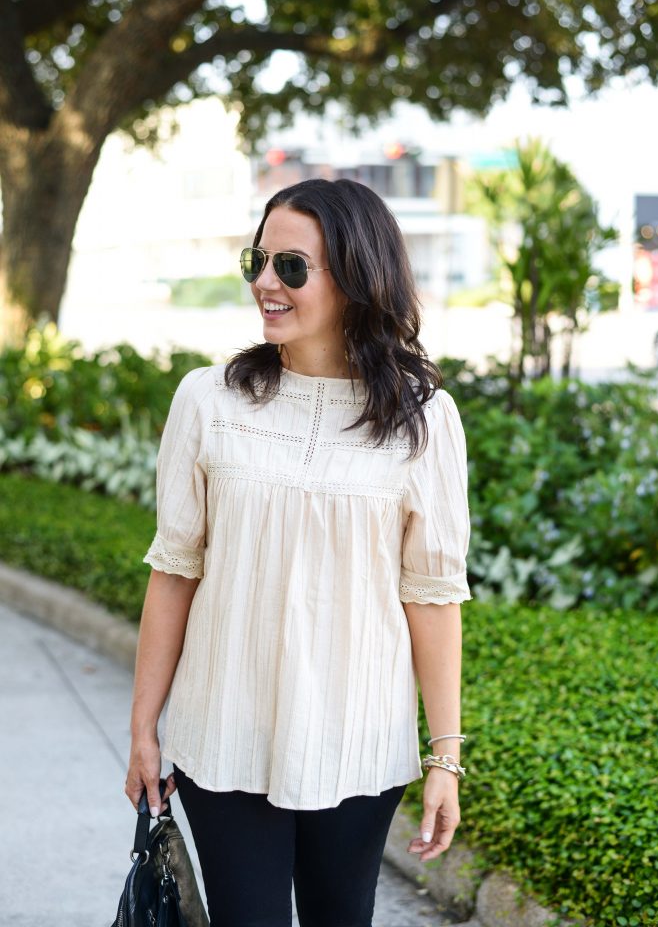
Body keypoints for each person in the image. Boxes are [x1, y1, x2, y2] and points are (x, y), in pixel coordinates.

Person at [124, 178, 472, 927]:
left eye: (290, 267)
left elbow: (433, 594)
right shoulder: (207, 400)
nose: (263, 283)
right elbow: (174, 569)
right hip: (224, 732)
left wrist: (444, 759)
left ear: (354, 278)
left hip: (358, 739)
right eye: (259, 259)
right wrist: (143, 729)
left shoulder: (424, 419)